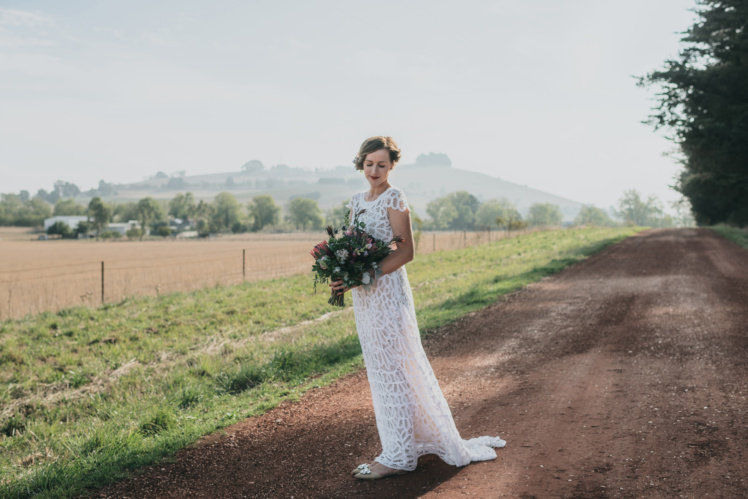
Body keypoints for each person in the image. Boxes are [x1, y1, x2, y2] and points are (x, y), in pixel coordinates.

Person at [330, 136, 506, 480]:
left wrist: (365, 275)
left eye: (382, 164)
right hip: (364, 298)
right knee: (380, 371)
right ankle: (404, 444)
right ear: (360, 164)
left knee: (396, 369)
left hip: (387, 293)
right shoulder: (356, 200)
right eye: (369, 164)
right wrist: (343, 272)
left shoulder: (395, 197)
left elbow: (405, 252)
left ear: (392, 165)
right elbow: (353, 244)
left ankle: (396, 456)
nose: (375, 171)